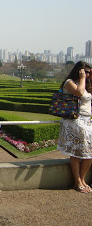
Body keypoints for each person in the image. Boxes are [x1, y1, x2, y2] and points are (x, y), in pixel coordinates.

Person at [57, 61, 92, 193]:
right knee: (76, 152)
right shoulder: (70, 82)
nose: (87, 74)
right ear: (79, 71)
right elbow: (79, 93)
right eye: (86, 72)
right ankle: (77, 182)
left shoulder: (87, 84)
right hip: (75, 120)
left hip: (87, 121)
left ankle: (82, 179)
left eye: (89, 72)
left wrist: (89, 79)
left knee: (89, 153)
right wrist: (83, 78)